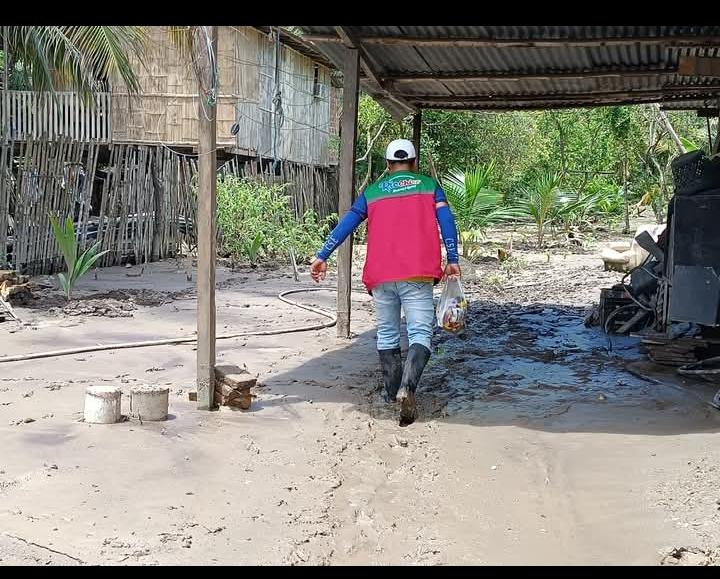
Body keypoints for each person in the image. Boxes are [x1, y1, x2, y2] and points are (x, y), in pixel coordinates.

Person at [310, 139, 460, 425]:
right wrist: (452, 258)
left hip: (381, 276)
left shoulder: (372, 192)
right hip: (417, 274)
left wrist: (322, 255)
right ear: (414, 163)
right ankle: (408, 388)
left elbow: (348, 223)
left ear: (388, 165)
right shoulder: (429, 186)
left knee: (387, 334)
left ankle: (392, 394)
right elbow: (446, 220)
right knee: (420, 333)